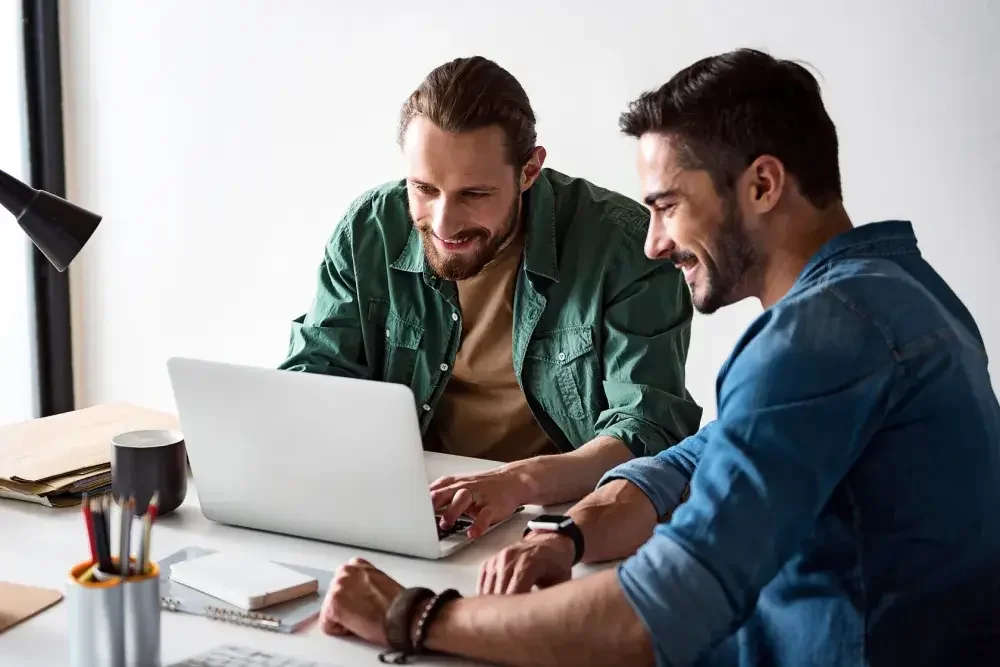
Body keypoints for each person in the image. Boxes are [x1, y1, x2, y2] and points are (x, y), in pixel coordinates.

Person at [317, 49, 1000, 667]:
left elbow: (651, 615)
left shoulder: (815, 340)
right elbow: (698, 457)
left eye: (668, 206)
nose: (652, 244)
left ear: (762, 185)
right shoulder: (901, 290)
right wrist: (570, 535)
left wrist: (415, 614)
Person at [279, 56, 702, 537]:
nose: (443, 224)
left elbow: (647, 430)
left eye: (473, 195)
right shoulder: (369, 230)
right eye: (424, 189)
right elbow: (315, 378)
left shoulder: (629, 249)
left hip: (559, 520)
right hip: (419, 512)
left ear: (529, 171)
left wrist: (516, 481)